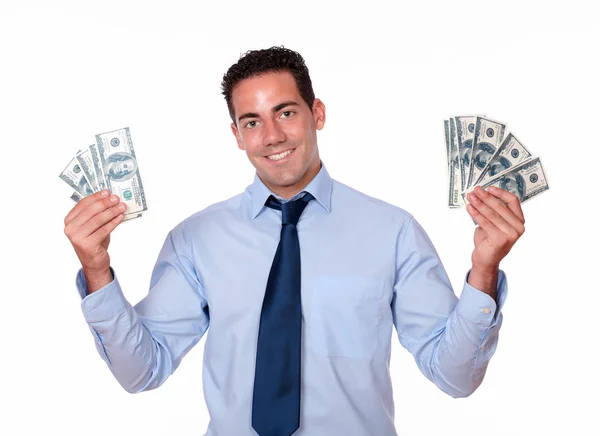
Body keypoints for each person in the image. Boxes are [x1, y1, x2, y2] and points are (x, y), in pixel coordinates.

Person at [64, 46, 526, 436]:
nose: (272, 136)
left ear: (316, 114)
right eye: (252, 121)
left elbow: (455, 377)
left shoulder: (393, 232)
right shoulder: (194, 240)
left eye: (285, 112)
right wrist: (97, 270)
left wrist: (484, 270)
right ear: (236, 135)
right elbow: (142, 370)